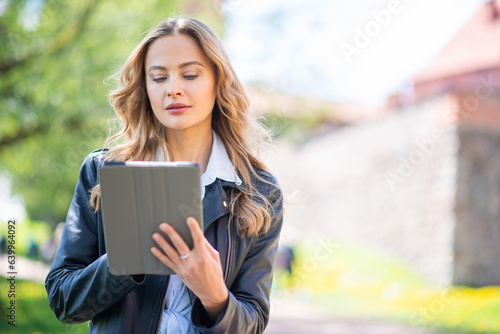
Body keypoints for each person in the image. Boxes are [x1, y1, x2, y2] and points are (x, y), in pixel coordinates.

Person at [45, 16, 283, 334]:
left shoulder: (261, 193)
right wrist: (126, 260)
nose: (173, 90)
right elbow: (64, 300)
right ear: (145, 86)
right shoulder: (102, 173)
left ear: (218, 80)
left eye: (189, 75)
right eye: (158, 78)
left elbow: (252, 322)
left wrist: (215, 296)